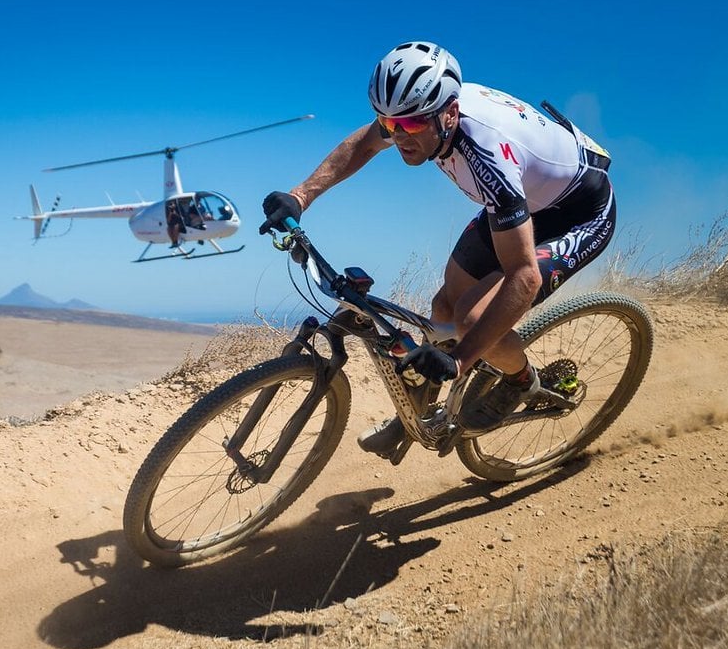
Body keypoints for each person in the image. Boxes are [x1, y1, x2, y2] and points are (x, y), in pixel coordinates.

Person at [259, 41, 616, 459]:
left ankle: (520, 383)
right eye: (388, 124)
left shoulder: (487, 157)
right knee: (444, 307)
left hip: (576, 212)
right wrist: (300, 197)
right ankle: (420, 417)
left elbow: (524, 278)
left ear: (449, 113)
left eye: (409, 126)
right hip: (520, 203)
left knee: (471, 320)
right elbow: (364, 144)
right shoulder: (418, 115)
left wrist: (461, 361)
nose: (397, 136)